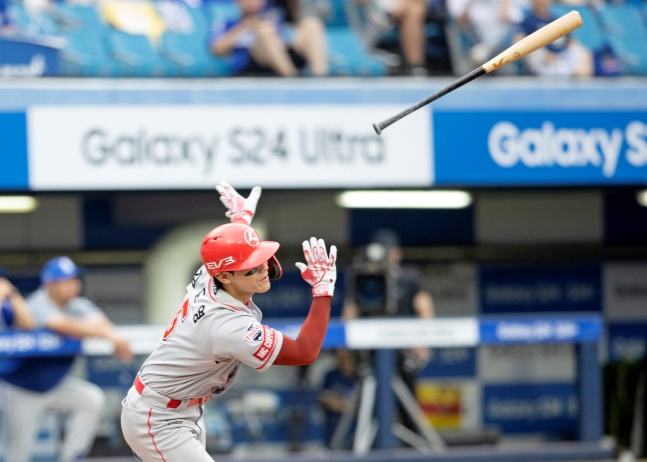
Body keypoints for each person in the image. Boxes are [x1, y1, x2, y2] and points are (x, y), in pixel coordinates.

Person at [120, 180, 338, 461]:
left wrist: (241, 220)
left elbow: (227, 253)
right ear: (224, 277)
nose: (262, 269)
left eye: (262, 258)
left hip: (178, 408)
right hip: (159, 417)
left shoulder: (211, 273)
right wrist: (322, 293)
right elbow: (304, 352)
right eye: (251, 268)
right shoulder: (228, 326)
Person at [1, 256, 134, 462]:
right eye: (65, 280)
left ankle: (71, 456)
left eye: (74, 279)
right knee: (18, 456)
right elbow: (59, 324)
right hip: (22, 388)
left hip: (54, 385)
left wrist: (113, 334)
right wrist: (107, 335)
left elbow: (98, 320)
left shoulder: (78, 305)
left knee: (90, 399)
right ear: (49, 284)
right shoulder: (35, 302)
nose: (73, 285)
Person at [342, 228, 435, 438]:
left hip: (402, 353)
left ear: (397, 253)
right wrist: (345, 349)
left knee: (409, 407)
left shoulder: (409, 277)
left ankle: (414, 448)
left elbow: (425, 310)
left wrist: (423, 343)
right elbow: (349, 314)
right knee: (368, 408)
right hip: (371, 354)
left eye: (390, 253)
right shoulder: (363, 277)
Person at [209, 0, 328, 77]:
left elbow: (293, 23)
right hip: (251, 66)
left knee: (312, 25)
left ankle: (320, 79)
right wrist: (245, 26)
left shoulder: (274, 13)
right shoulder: (229, 22)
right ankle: (292, 78)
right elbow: (216, 49)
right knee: (264, 32)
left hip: (282, 53)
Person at [513, 0, 593, 77]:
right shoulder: (528, 21)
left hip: (561, 57)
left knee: (583, 52)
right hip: (543, 60)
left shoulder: (556, 20)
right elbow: (517, 43)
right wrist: (544, 55)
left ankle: (581, 84)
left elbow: (570, 41)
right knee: (535, 55)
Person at [352, 0, 431, 76]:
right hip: (365, 15)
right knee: (411, 7)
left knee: (415, 7)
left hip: (387, 10)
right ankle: (415, 66)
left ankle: (416, 67)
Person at [318, 348, 358, 450]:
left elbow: (363, 409)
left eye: (345, 356)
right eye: (338, 355)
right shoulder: (331, 376)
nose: (341, 359)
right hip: (332, 432)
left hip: (354, 434)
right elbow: (324, 399)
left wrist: (341, 405)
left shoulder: (361, 378)